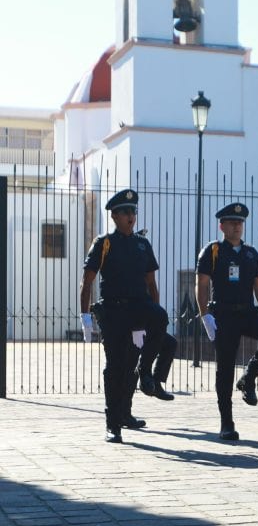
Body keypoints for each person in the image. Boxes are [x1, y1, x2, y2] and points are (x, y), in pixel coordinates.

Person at [79, 189, 171, 443]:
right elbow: (87, 281)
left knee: (160, 319)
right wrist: (85, 317)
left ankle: (145, 374)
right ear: (115, 216)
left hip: (139, 307)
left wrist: (151, 318)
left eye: (134, 211)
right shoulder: (104, 243)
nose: (131, 216)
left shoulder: (142, 244)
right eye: (126, 212)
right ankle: (113, 424)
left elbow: (152, 284)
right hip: (114, 311)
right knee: (116, 367)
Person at [196, 202, 258, 441]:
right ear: (221, 226)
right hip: (223, 314)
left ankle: (248, 378)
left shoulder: (251, 253)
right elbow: (201, 285)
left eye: (240, 222)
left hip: (247, 311)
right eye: (232, 222)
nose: (237, 226)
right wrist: (205, 315)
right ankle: (227, 423)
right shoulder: (212, 251)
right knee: (224, 368)